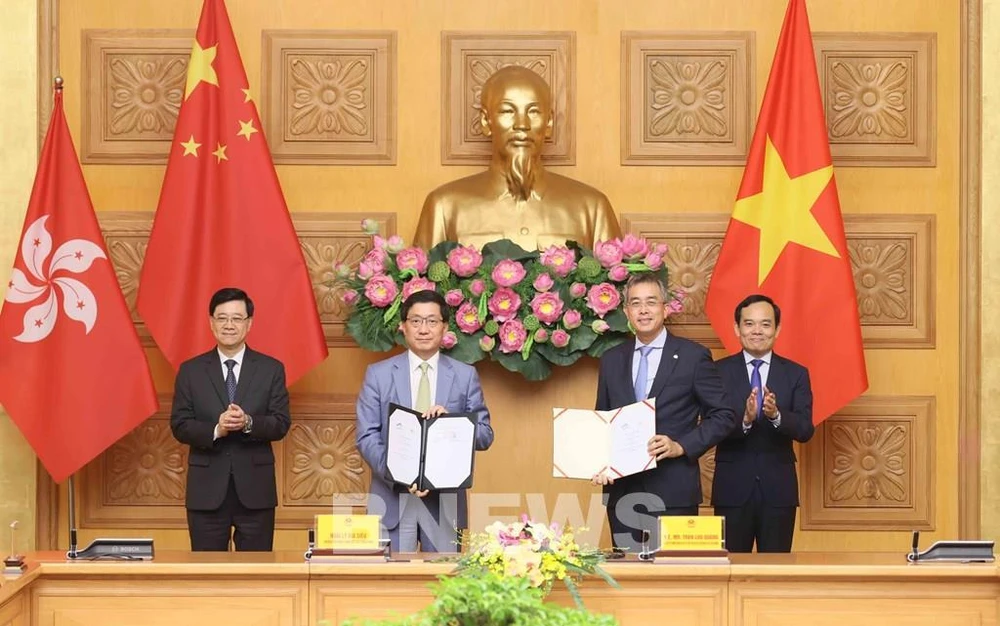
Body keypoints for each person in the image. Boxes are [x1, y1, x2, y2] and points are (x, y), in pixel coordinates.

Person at [593, 273, 737, 552]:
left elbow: (723, 415)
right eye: (636, 303)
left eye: (651, 302)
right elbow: (602, 420)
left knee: (675, 582)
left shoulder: (693, 356)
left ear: (665, 307)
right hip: (623, 493)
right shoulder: (611, 360)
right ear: (626, 312)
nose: (644, 310)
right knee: (630, 582)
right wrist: (598, 463)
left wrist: (681, 446)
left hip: (673, 490)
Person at [413, 65, 621, 251]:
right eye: (507, 111)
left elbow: (619, 289)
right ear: (486, 121)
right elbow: (422, 292)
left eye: (533, 112)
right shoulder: (444, 206)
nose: (522, 124)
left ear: (548, 123)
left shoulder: (592, 208)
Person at [356, 290, 494, 552]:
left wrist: (453, 426)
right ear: (403, 326)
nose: (423, 329)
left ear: (445, 327)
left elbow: (485, 434)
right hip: (392, 498)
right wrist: (399, 474)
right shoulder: (378, 374)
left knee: (443, 587)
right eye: (416, 321)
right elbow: (366, 436)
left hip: (444, 504)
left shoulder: (465, 376)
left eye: (432, 321)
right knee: (391, 587)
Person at [170, 287, 291, 551]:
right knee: (206, 577)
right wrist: (216, 429)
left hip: (256, 491)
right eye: (222, 318)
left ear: (249, 323)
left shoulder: (271, 369)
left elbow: (281, 423)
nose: (229, 325)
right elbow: (179, 425)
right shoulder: (191, 371)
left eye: (237, 318)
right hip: (206, 492)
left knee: (256, 575)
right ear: (211, 322)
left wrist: (248, 422)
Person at [711, 294, 814, 553]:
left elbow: (805, 429)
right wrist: (745, 419)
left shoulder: (796, 373)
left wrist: (776, 415)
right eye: (749, 324)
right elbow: (710, 427)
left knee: (777, 575)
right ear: (737, 328)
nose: (757, 331)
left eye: (765, 324)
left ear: (777, 329)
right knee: (730, 573)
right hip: (732, 490)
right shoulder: (716, 372)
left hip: (778, 491)